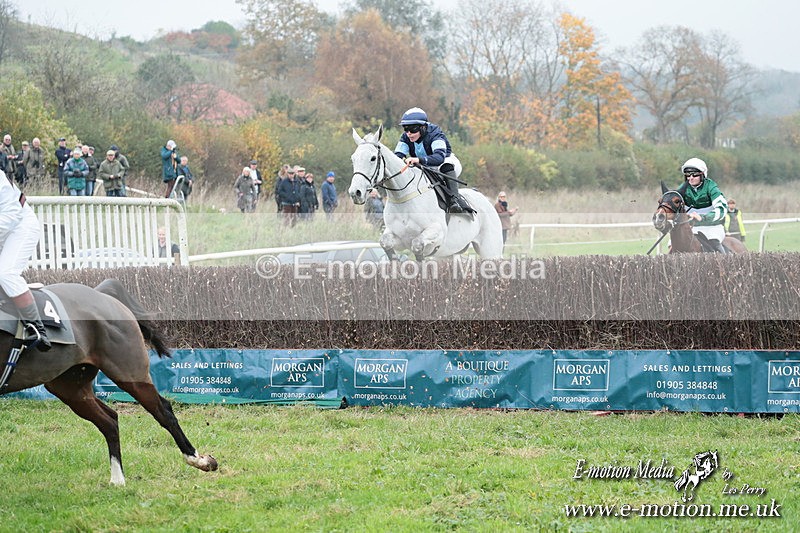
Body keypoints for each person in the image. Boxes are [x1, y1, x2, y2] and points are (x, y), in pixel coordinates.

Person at [0, 168, 51, 351]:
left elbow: (11, 214)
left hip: (21, 226)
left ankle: (36, 328)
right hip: (4, 230)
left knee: (5, 273)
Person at [393, 107, 467, 213]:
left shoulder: (435, 134)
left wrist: (418, 159)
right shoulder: (405, 137)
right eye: (406, 129)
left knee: (446, 166)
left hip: (444, 162)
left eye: (413, 129)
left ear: (423, 127)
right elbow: (398, 156)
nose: (409, 133)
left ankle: (454, 201)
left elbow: (439, 157)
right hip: (424, 165)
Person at [681, 157, 729, 253]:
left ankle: (724, 265)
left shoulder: (711, 187)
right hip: (691, 228)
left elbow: (722, 208)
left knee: (714, 244)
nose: (690, 178)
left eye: (694, 175)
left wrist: (703, 217)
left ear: (702, 175)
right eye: (687, 175)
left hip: (712, 227)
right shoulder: (683, 188)